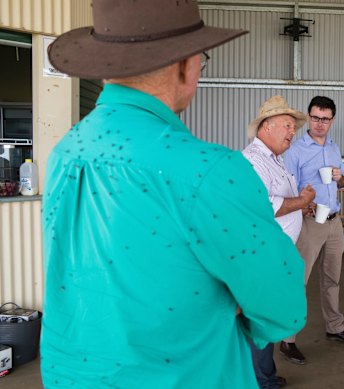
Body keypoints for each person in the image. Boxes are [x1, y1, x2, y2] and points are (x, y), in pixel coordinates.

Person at [41, 1, 306, 387]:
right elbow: (282, 305)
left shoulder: (66, 152)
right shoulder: (209, 170)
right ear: (185, 63)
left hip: (70, 375)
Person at [243, 95, 316, 388]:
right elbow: (264, 205)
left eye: (293, 127)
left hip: (276, 253)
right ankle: (261, 381)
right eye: (287, 125)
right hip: (264, 255)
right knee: (261, 318)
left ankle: (264, 375)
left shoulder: (275, 159)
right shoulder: (254, 159)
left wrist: (302, 205)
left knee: (267, 316)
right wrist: (302, 200)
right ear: (266, 126)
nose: (291, 132)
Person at [282, 96, 344, 365]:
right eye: (315, 117)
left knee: (333, 278)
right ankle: (288, 340)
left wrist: (342, 179)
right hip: (309, 221)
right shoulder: (296, 150)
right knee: (298, 280)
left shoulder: (334, 147)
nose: (319, 123)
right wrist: (302, 206)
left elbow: (341, 181)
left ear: (332, 121)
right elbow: (287, 188)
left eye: (325, 119)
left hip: (334, 221)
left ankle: (335, 328)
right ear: (308, 117)